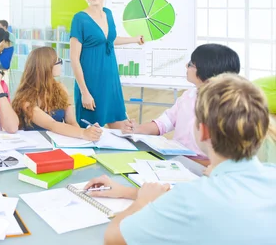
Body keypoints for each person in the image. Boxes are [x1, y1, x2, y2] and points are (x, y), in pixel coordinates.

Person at [87, 73, 276, 245]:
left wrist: (141, 203)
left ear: (203, 131)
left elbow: (113, 238)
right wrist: (129, 192)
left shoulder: (191, 198)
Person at [126, 44, 240, 162]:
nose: (186, 66)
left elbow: (228, 158)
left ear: (207, 71)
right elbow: (165, 122)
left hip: (205, 166)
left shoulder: (228, 108)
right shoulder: (188, 96)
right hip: (177, 158)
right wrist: (138, 129)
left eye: (191, 64)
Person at [70, 0, 143, 131]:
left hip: (111, 81)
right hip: (90, 83)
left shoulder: (108, 14)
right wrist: (84, 92)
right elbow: (74, 59)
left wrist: (134, 39)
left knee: (123, 130)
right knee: (91, 133)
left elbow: (108, 40)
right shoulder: (79, 19)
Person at [12, 47, 102, 141]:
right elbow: (52, 124)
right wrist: (83, 133)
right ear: (47, 66)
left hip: (58, 143)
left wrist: (88, 134)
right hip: (35, 145)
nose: (61, 64)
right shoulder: (25, 99)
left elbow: (71, 122)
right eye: (58, 61)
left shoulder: (61, 89)